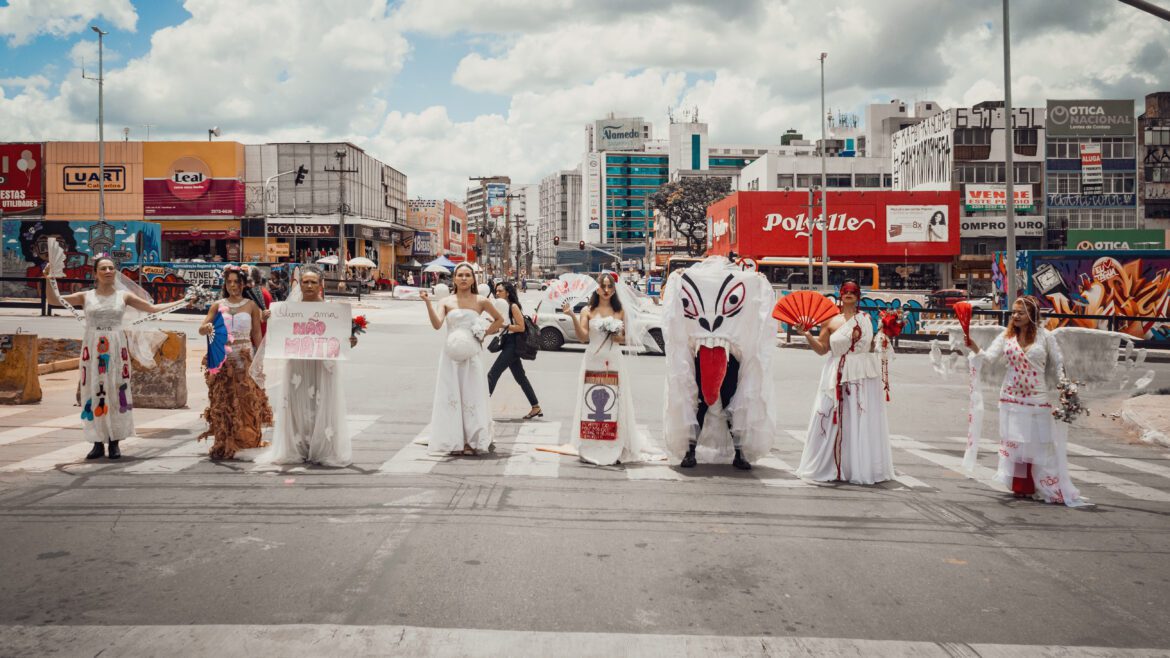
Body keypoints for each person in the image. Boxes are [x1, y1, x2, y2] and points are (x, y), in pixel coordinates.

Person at [44, 256, 190, 460]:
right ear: (95, 273)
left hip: (116, 345)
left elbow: (153, 308)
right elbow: (54, 300)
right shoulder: (86, 296)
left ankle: (114, 442)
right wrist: (49, 279)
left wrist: (185, 301)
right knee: (93, 390)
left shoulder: (124, 296)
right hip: (93, 347)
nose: (108, 271)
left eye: (111, 268)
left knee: (116, 389)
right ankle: (96, 441)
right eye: (103, 268)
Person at [966, 296, 1085, 506]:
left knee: (1040, 443)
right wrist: (975, 347)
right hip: (1011, 398)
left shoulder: (1045, 337)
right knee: (1017, 443)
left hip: (1037, 398)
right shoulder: (1006, 336)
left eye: (1020, 312)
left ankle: (1045, 485)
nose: (1015, 316)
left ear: (1031, 315)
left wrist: (1066, 388)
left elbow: (1058, 364)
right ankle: (1022, 487)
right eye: (1013, 312)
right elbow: (989, 359)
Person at [254, 266, 357, 467]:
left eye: (313, 282)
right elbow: (275, 333)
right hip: (297, 362)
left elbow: (345, 340)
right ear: (299, 284)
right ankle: (298, 446)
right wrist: (267, 318)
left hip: (323, 363)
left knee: (323, 402)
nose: (309, 286)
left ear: (321, 284)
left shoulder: (332, 311)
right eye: (305, 282)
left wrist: (350, 340)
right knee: (296, 401)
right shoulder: (287, 310)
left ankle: (322, 448)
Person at [795, 280, 894, 484]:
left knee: (858, 421)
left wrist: (886, 335)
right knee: (827, 414)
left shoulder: (866, 319)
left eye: (853, 291)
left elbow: (870, 347)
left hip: (861, 375)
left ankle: (855, 467)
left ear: (858, 296)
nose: (848, 294)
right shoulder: (830, 321)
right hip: (835, 373)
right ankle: (828, 465)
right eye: (845, 291)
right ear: (840, 295)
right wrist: (806, 334)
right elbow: (822, 349)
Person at [421, 262, 505, 456]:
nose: (464, 278)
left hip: (472, 355)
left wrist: (484, 332)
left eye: (468, 275)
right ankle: (453, 438)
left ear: (474, 279)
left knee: (471, 395)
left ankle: (471, 440)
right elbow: (436, 324)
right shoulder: (446, 302)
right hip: (450, 356)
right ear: (454, 279)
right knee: (451, 395)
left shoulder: (481, 300)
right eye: (460, 275)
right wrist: (427, 303)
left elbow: (500, 321)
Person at [561, 273, 645, 465]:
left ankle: (615, 442)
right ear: (597, 288)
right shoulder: (587, 311)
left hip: (613, 359)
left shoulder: (620, 310)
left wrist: (613, 332)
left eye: (610, 287)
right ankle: (590, 441)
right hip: (592, 359)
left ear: (614, 289)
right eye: (603, 286)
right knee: (589, 400)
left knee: (615, 399)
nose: (606, 290)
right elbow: (583, 337)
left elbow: (624, 338)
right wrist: (572, 316)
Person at [196, 265, 273, 460]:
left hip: (245, 356)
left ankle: (246, 440)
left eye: (236, 282)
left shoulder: (251, 305)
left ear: (243, 284)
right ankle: (226, 440)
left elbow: (256, 333)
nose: (233, 286)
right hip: (224, 357)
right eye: (229, 282)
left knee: (246, 400)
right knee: (225, 400)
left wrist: (259, 360)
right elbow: (203, 327)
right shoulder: (218, 305)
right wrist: (205, 328)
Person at [487, 281, 542, 419]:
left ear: (507, 292)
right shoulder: (502, 307)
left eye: (500, 291)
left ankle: (481, 406)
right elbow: (502, 327)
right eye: (496, 291)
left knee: (492, 374)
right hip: (507, 343)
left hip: (513, 345)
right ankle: (536, 407)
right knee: (520, 378)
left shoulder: (513, 306)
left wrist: (503, 325)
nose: (497, 293)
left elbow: (521, 327)